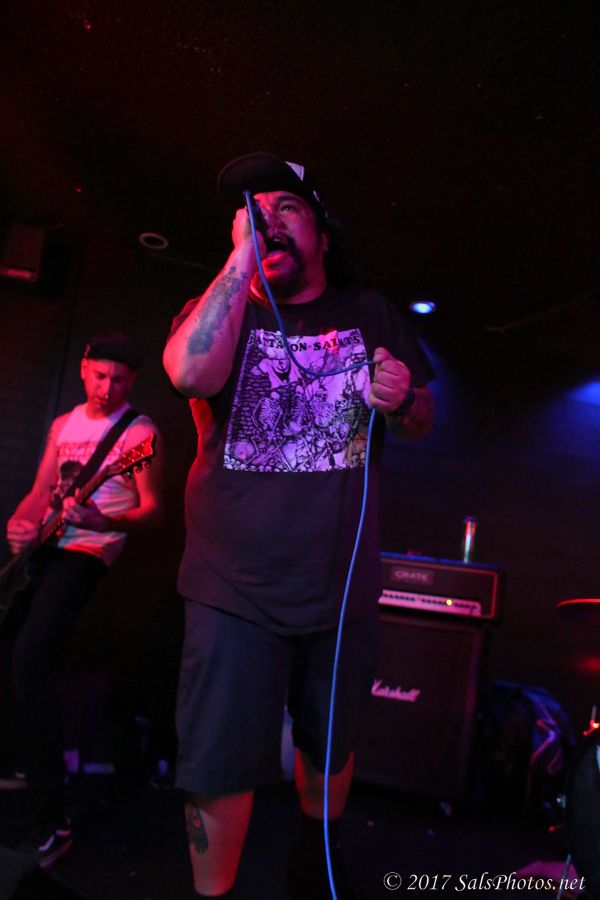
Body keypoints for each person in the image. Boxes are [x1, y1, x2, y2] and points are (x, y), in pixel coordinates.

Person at [163, 153, 435, 899]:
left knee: (329, 740)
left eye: (286, 207)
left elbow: (421, 417)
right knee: (218, 760)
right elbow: (188, 374)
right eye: (254, 210)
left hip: (338, 590)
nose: (269, 219)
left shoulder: (368, 312)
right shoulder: (220, 309)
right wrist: (239, 260)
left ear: (321, 233)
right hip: (232, 589)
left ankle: (316, 860)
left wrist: (404, 398)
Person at [1, 331, 163, 870]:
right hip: (48, 545)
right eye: (100, 375)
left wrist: (101, 519)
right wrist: (21, 523)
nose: (108, 387)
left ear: (132, 380)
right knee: (9, 649)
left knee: (31, 658)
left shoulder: (139, 434)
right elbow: (39, 491)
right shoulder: (63, 424)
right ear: (84, 368)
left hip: (90, 551)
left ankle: (53, 820)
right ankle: (18, 762)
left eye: (120, 379)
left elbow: (152, 510)